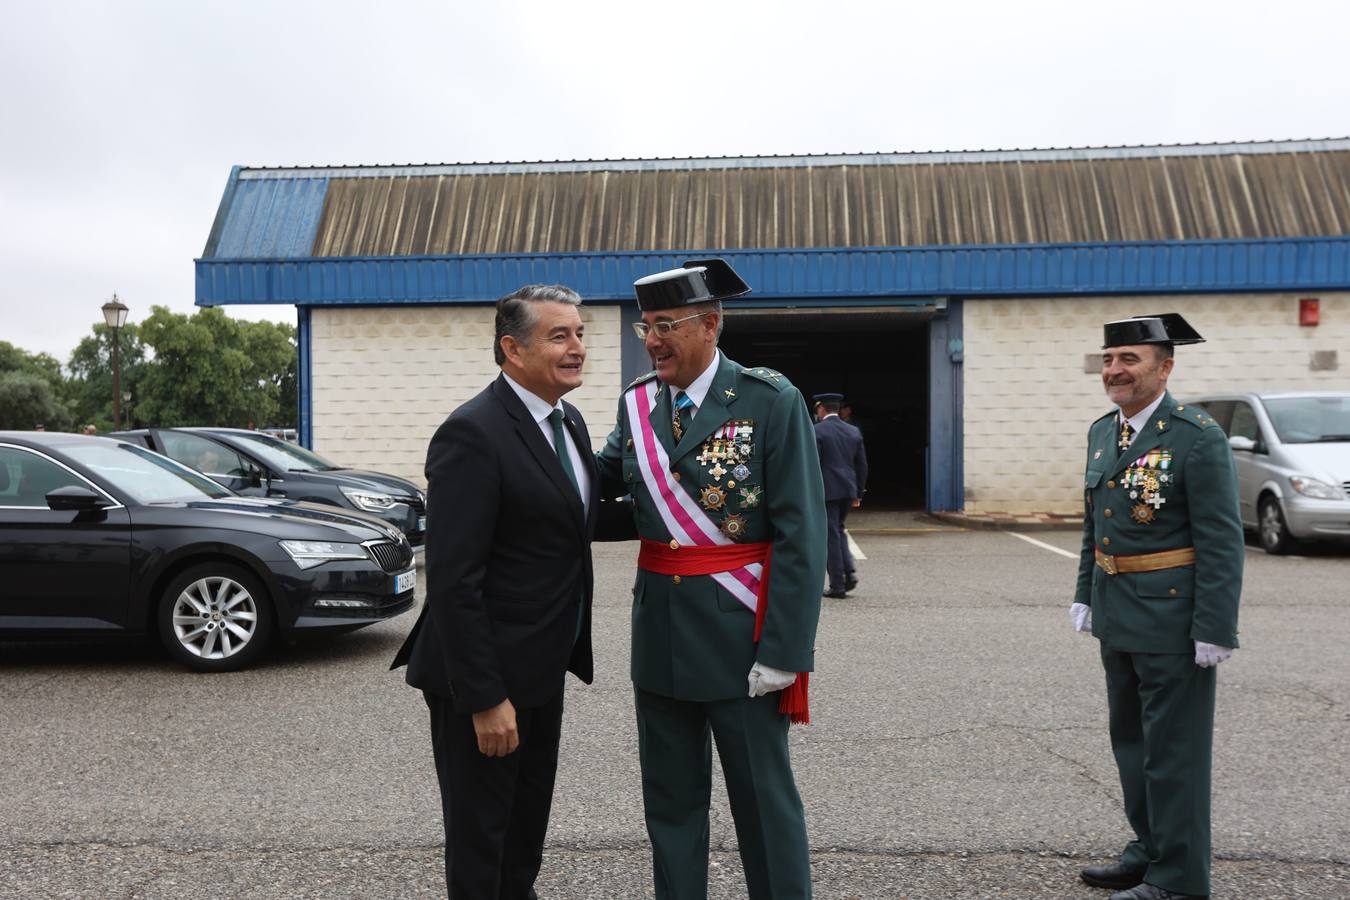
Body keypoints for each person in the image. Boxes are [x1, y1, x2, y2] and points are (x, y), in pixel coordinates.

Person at [596, 258, 826, 900]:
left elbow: (801, 536)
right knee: (670, 807)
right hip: (661, 638)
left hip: (741, 639)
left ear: (712, 324)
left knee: (762, 804)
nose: (653, 340)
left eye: (667, 325)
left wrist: (784, 652)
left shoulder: (767, 399)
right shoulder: (638, 402)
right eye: (647, 326)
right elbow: (597, 482)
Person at [391, 284, 600, 899]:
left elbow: (568, 515)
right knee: (483, 842)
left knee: (524, 832)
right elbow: (456, 579)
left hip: (542, 665)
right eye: (560, 336)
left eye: (581, 333)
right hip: (484, 680)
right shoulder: (473, 434)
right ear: (512, 348)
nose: (577, 347)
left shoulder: (567, 421)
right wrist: (484, 698)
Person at [1071, 314, 1242, 900]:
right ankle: (1149, 849)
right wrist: (1083, 593)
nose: (1115, 370)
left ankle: (1179, 879)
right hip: (1117, 612)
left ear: (1165, 367)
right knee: (1133, 746)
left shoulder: (1196, 435)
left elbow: (1221, 538)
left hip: (1173, 620)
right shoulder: (1102, 431)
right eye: (1109, 359)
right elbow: (1096, 524)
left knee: (1175, 754)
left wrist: (1215, 627)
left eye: (1130, 360)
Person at [813, 392, 867, 598]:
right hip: (848, 489)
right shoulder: (853, 431)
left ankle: (837, 585)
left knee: (831, 536)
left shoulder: (817, 431)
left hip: (827, 492)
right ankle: (849, 573)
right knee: (839, 529)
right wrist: (859, 492)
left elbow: (814, 464)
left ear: (822, 409)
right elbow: (862, 464)